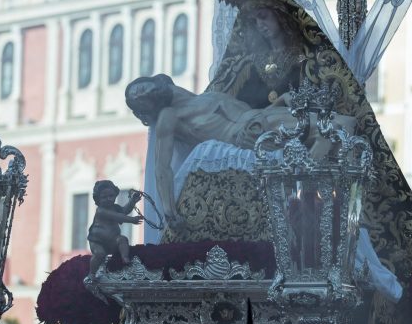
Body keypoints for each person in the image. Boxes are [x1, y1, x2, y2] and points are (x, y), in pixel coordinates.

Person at [126, 73, 357, 226]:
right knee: (334, 129)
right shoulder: (170, 116)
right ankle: (310, 177)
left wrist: (278, 102)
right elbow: (162, 168)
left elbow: (239, 111)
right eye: (138, 99)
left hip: (263, 118)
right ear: (146, 109)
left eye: (141, 88)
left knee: (347, 124)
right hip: (252, 135)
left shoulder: (201, 97)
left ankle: (335, 199)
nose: (143, 94)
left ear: (155, 81)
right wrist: (169, 212)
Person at [86, 180, 143, 277]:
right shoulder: (101, 211)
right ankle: (92, 273)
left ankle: (125, 258)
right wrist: (132, 220)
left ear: (115, 195)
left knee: (123, 239)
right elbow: (118, 217)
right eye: (104, 197)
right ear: (97, 199)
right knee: (99, 254)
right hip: (98, 242)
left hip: (113, 241)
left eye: (111, 196)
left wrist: (132, 201)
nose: (108, 199)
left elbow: (124, 211)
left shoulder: (115, 207)